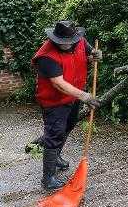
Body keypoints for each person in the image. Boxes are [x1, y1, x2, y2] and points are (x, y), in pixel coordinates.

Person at [32, 20, 102, 191]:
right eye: (63, 43)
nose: (67, 45)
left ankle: (56, 157)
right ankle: (48, 178)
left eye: (70, 41)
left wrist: (95, 54)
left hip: (73, 97)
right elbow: (58, 83)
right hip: (54, 101)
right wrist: (85, 96)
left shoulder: (79, 41)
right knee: (55, 133)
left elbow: (88, 53)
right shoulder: (46, 56)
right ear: (55, 39)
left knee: (68, 126)